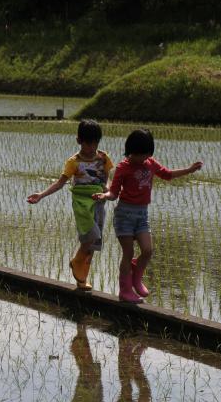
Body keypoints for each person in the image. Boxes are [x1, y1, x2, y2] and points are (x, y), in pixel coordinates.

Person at [94, 129, 202, 303]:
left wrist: (189, 170)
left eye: (146, 154)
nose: (143, 159)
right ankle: (125, 290)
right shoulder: (123, 167)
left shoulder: (150, 164)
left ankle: (136, 277)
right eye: (139, 155)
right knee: (128, 253)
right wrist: (103, 196)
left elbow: (167, 175)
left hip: (142, 214)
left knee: (147, 250)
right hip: (124, 215)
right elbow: (114, 193)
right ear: (130, 152)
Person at [27, 119, 113, 290]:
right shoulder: (73, 161)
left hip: (98, 202)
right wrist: (41, 195)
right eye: (88, 143)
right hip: (81, 203)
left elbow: (108, 177)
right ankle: (75, 261)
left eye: (95, 143)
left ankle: (82, 280)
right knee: (92, 235)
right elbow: (60, 183)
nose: (92, 147)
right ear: (79, 141)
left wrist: (108, 190)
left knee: (93, 244)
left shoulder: (103, 158)